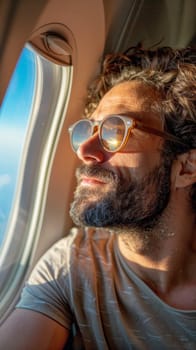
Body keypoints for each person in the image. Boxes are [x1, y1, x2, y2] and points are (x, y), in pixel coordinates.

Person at [0, 45, 196, 350]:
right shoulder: (72, 265)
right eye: (88, 130)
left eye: (115, 131)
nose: (84, 151)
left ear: (186, 167)